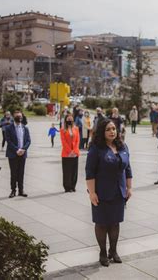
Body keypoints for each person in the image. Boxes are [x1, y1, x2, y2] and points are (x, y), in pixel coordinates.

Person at [85, 119, 133, 267]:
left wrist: (129, 188)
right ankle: (103, 252)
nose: (112, 131)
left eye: (113, 128)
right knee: (101, 223)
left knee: (115, 222)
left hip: (119, 192)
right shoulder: (96, 148)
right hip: (101, 192)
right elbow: (90, 172)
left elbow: (128, 168)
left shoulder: (122, 146)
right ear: (102, 132)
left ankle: (113, 251)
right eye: (108, 129)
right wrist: (92, 192)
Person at [5, 110, 31, 198]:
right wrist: (17, 149)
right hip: (13, 154)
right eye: (17, 116)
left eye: (20, 116)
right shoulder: (9, 128)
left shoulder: (25, 128)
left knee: (21, 173)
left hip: (23, 154)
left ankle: (21, 190)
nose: (19, 118)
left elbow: (28, 140)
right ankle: (13, 190)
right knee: (14, 173)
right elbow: (8, 141)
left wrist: (23, 149)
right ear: (13, 117)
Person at [61, 113, 80, 192]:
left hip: (75, 153)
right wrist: (70, 151)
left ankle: (73, 186)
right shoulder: (62, 130)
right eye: (68, 119)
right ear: (66, 120)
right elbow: (63, 142)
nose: (70, 121)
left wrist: (74, 151)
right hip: (66, 154)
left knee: (74, 171)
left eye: (71, 119)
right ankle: (67, 187)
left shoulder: (76, 129)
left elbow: (77, 140)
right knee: (67, 171)